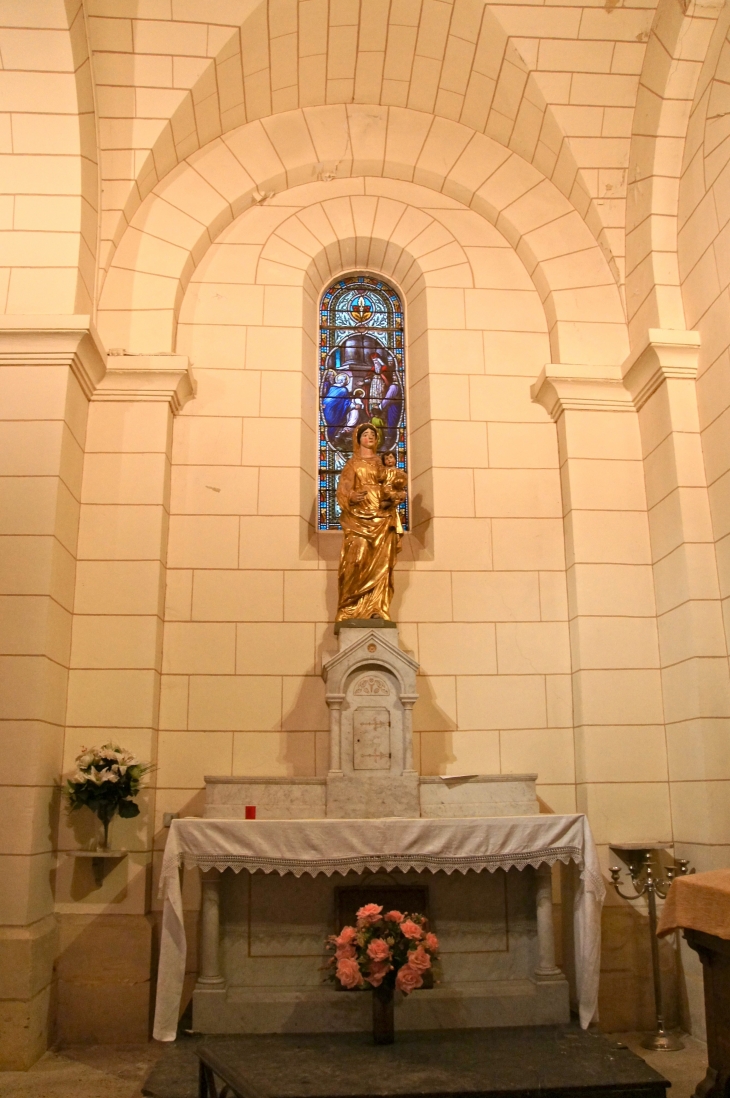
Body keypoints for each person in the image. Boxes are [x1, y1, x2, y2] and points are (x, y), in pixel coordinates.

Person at [335, 424, 402, 621]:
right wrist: (351, 496)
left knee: (382, 565)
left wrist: (397, 494)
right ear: (358, 439)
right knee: (356, 559)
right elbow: (343, 490)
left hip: (382, 518)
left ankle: (377, 608)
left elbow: (393, 482)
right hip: (358, 520)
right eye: (366, 434)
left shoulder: (382, 464)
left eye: (373, 434)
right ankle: (349, 608)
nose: (370, 436)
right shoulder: (352, 464)